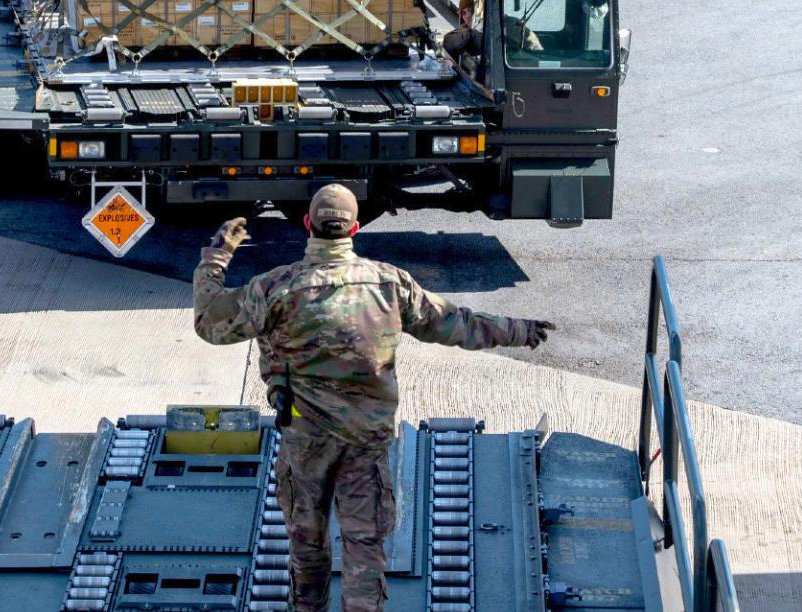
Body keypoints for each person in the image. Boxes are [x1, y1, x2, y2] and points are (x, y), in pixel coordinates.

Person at [191, 184, 555, 612]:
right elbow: (453, 323)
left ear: (307, 224)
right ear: (355, 228)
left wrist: (216, 258)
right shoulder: (389, 283)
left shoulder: (275, 288)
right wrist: (518, 330)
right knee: (365, 549)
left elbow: (210, 323)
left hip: (304, 440)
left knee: (306, 544)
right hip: (366, 440)